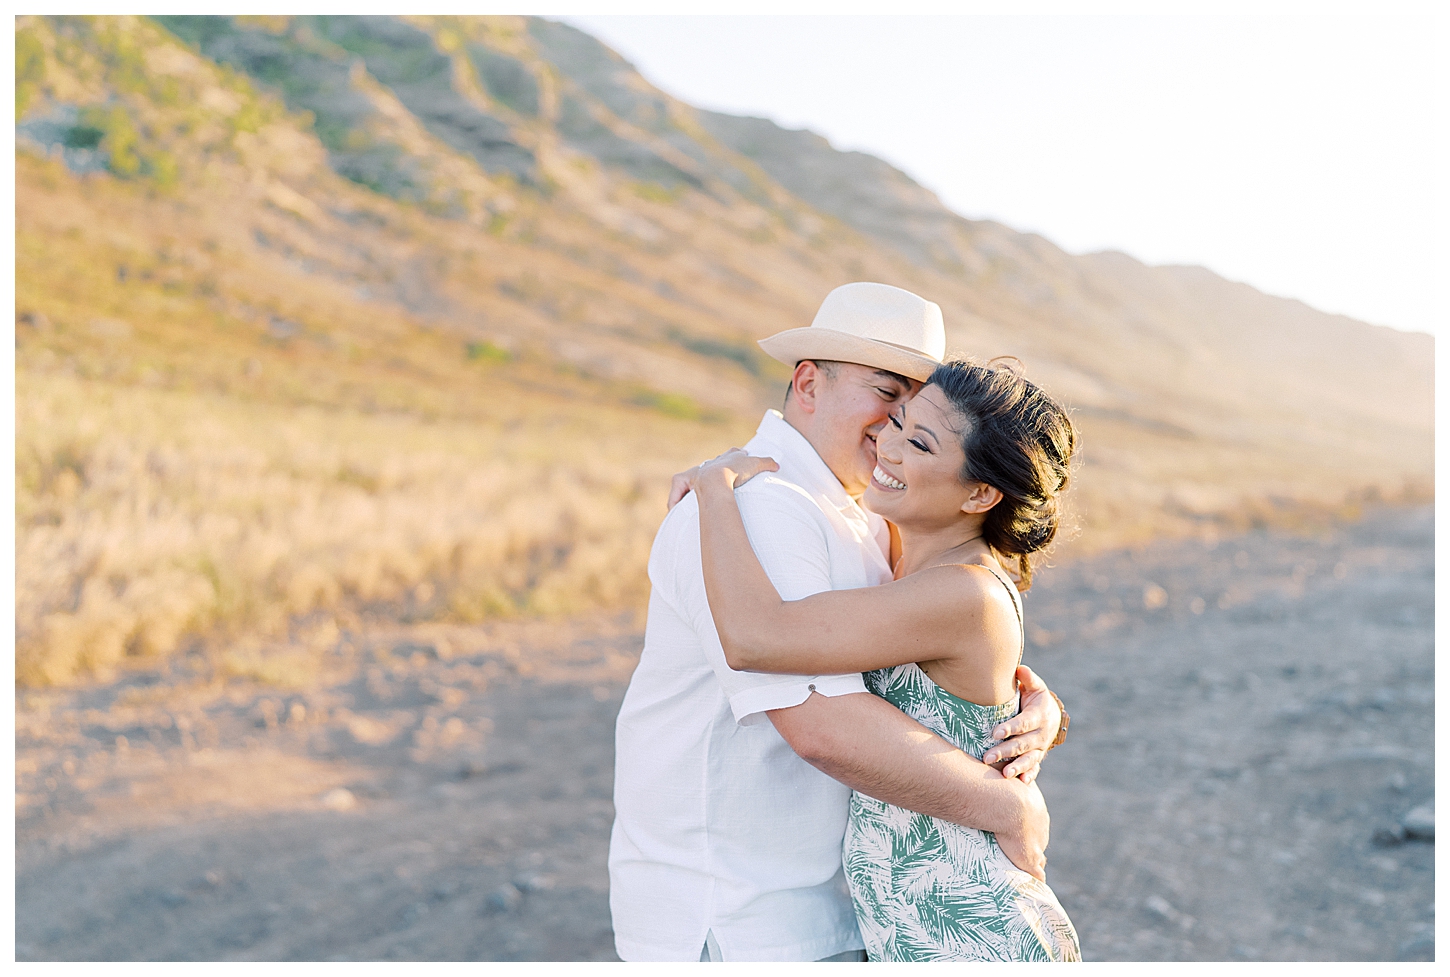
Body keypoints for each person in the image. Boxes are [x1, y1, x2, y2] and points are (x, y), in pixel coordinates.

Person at [607, 283, 1068, 962]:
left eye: (913, 407)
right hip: (736, 917)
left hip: (828, 916)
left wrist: (1037, 705)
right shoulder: (766, 506)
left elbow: (942, 654)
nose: (894, 426)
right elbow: (821, 723)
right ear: (808, 383)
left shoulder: (863, 519)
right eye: (886, 392)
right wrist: (1009, 806)